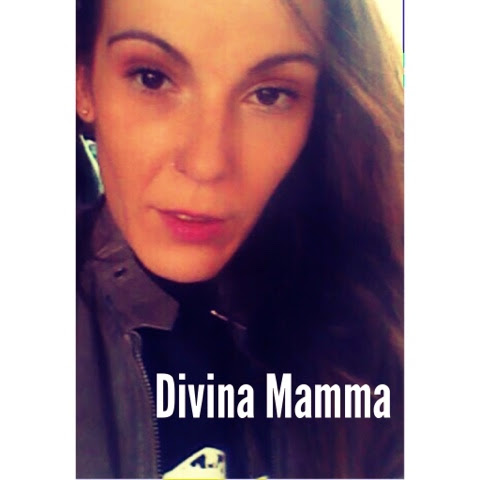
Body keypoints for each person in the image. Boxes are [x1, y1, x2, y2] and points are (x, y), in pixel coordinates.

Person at [76, 0, 404, 478]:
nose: (207, 164)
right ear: (84, 83)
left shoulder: (383, 319)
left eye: (269, 95)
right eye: (152, 78)